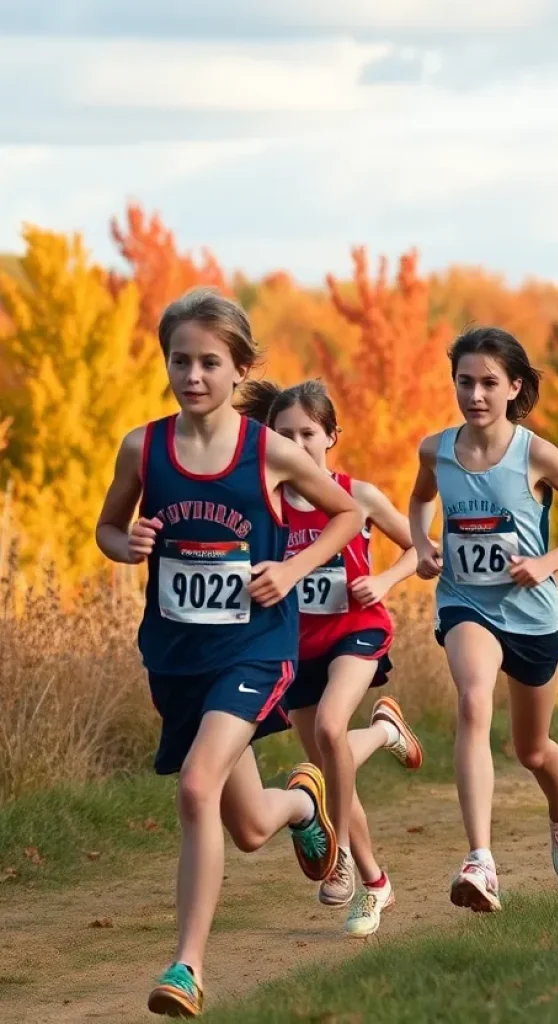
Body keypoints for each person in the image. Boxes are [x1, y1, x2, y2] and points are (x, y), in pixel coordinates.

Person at [95, 289, 365, 1018]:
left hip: (254, 648)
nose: (193, 375)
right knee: (247, 828)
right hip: (178, 652)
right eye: (180, 360)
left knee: (195, 788)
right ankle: (302, 804)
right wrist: (132, 545)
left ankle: (186, 966)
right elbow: (108, 530)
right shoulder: (143, 448)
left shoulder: (267, 451)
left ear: (239, 368)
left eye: (210, 362)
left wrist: (293, 570)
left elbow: (348, 514)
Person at [409, 325, 558, 912]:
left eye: (488, 383)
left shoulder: (537, 452)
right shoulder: (436, 449)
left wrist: (549, 561)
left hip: (531, 614)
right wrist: (421, 543)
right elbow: (420, 498)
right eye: (464, 382)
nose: (474, 395)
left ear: (513, 388)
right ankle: (481, 859)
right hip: (465, 601)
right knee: (473, 700)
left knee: (532, 750)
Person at [237, 378, 423, 939]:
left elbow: (421, 547)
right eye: (283, 434)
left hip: (356, 633)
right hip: (295, 648)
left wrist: (385, 580)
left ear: (331, 437)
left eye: (308, 434)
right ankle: (375, 881)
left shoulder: (356, 496)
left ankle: (337, 853)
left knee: (331, 727)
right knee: (330, 763)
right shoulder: (262, 506)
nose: (296, 444)